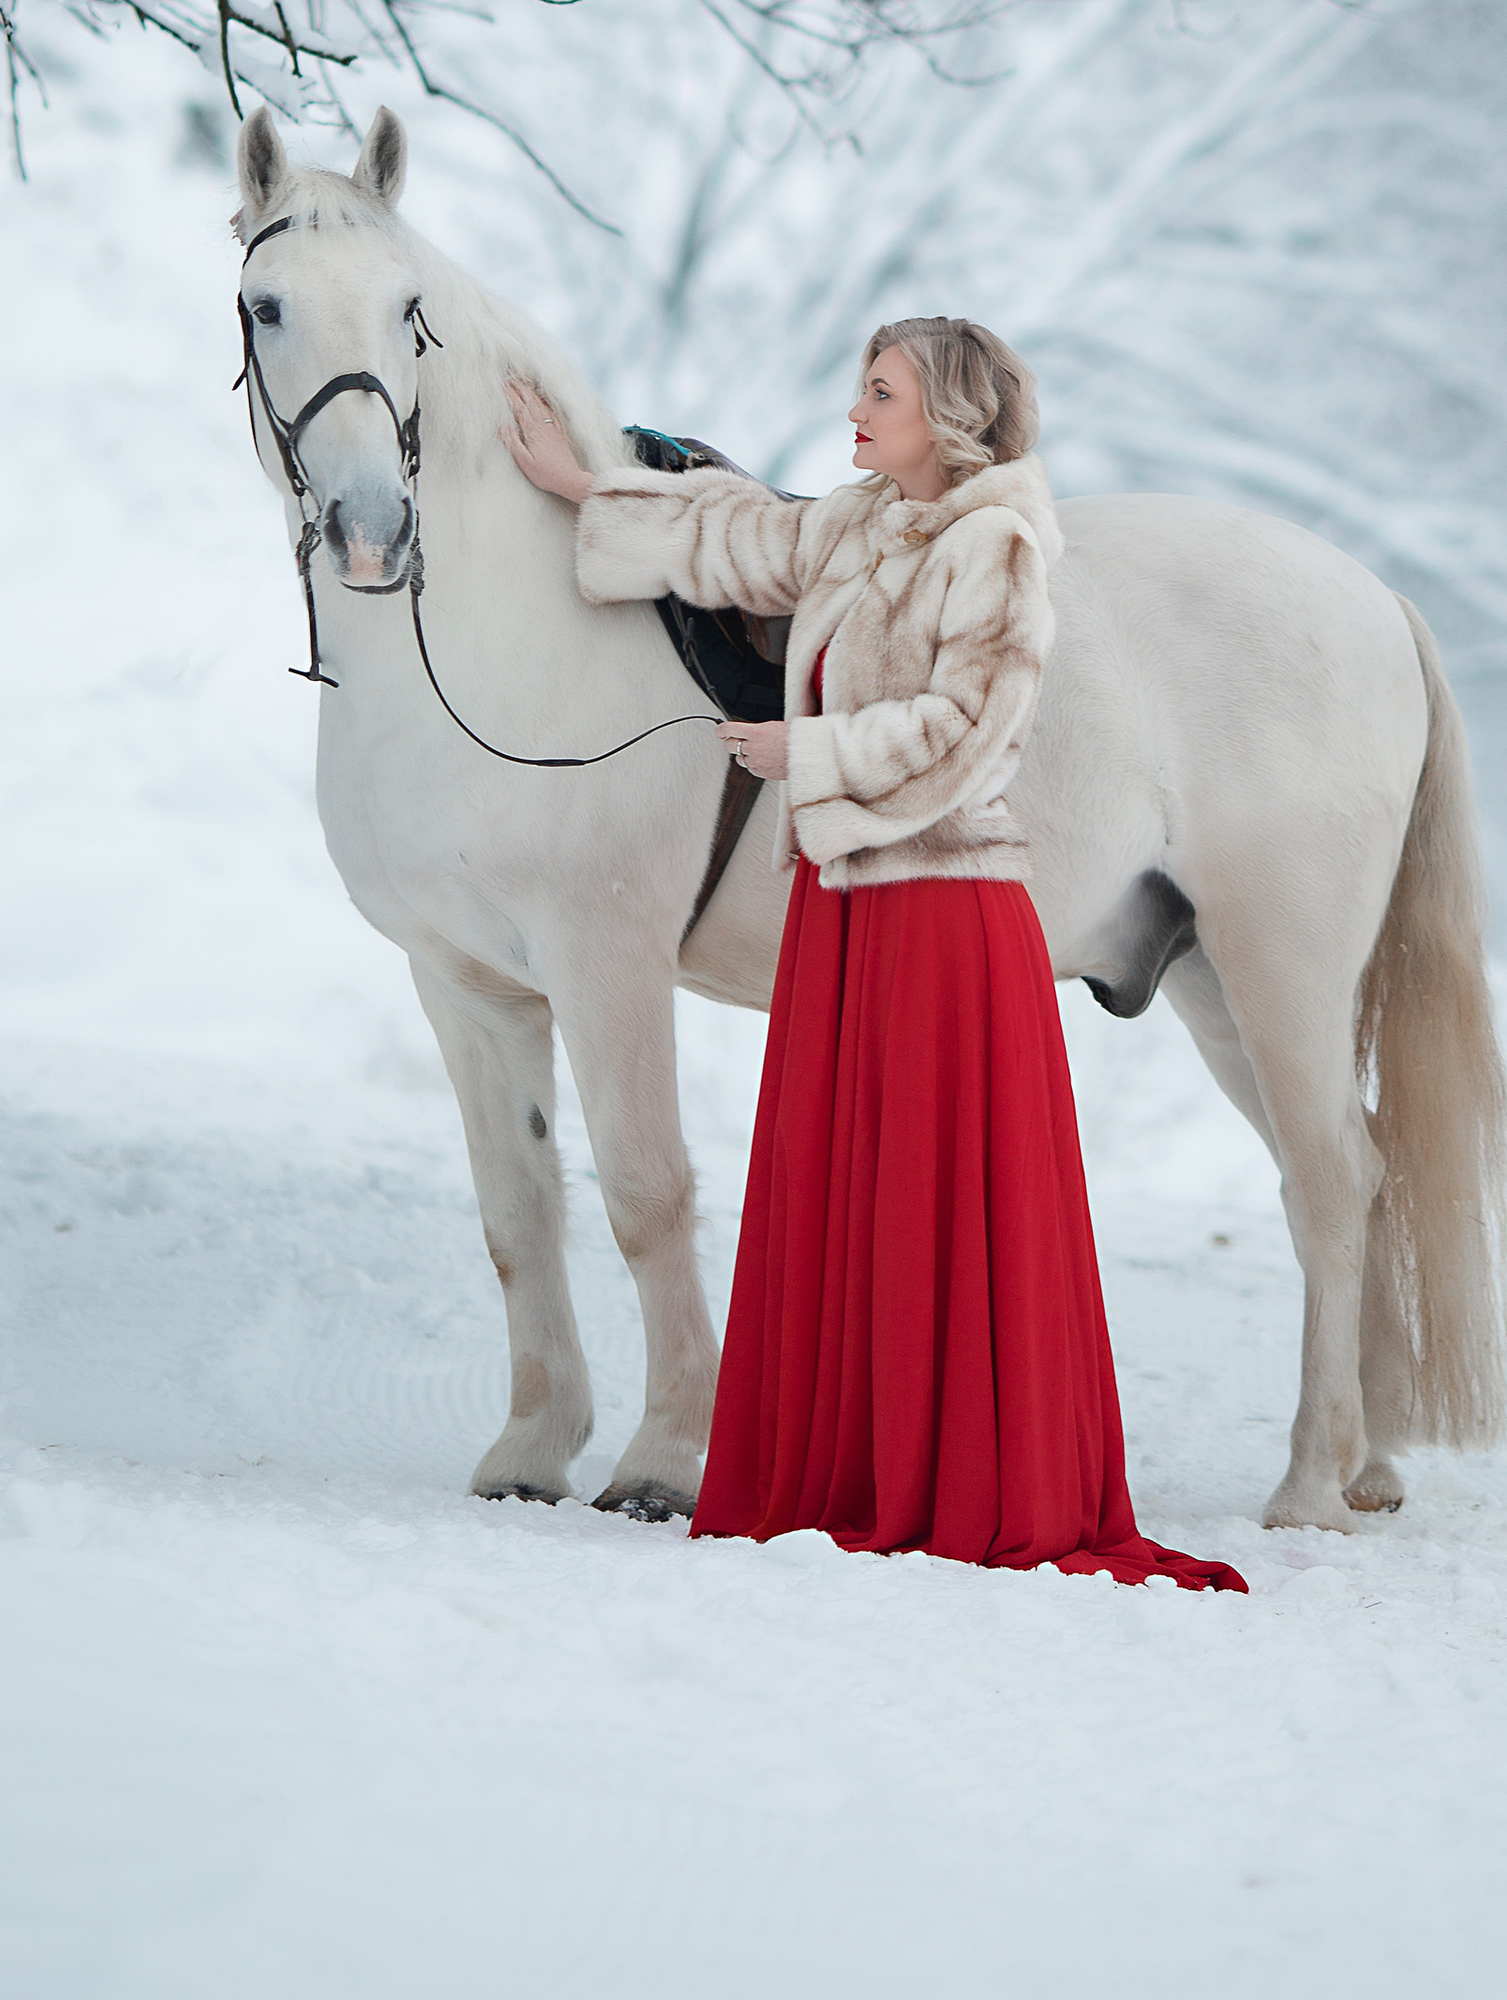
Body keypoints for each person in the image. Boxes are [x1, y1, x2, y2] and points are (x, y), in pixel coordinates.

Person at [502, 318, 1243, 1593]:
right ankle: (855, 1468)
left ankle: (952, 1479)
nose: (856, 410)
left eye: (881, 391)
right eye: (861, 387)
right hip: (845, 905)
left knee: (934, 1207)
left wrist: (809, 756)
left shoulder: (996, 548)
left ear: (944, 416)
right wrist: (580, 482)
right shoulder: (858, 524)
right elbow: (735, 538)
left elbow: (969, 731)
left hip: (946, 916)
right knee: (849, 1198)